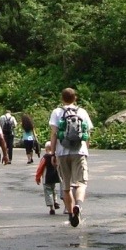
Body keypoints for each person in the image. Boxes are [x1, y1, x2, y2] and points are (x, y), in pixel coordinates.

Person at [47, 87, 94, 227]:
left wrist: (53, 153)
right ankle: (78, 206)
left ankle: (71, 214)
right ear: (75, 98)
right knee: (81, 183)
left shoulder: (57, 112)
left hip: (62, 153)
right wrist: (86, 149)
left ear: (62, 98)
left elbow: (54, 134)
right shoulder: (82, 112)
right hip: (79, 152)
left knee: (66, 187)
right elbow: (87, 134)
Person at [35, 148, 61, 214]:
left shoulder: (45, 157)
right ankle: (55, 201)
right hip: (54, 177)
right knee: (53, 189)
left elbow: (40, 168)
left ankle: (51, 207)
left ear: (46, 149)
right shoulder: (55, 156)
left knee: (48, 191)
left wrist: (37, 177)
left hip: (46, 177)